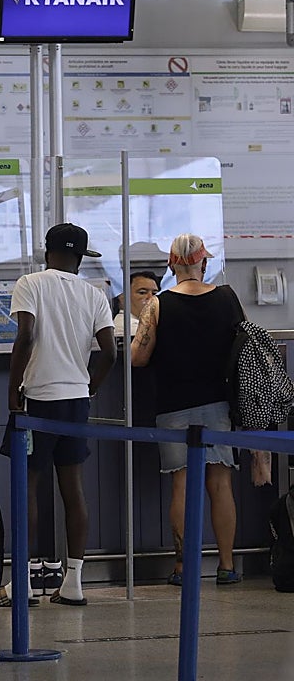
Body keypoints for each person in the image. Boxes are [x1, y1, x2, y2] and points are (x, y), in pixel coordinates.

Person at [5, 222, 115, 606]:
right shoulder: (94, 294)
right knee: (74, 490)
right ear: (80, 258)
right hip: (75, 400)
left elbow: (26, 336)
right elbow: (110, 352)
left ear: (46, 251)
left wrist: (12, 390)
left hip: (37, 398)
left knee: (28, 487)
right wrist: (89, 386)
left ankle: (23, 581)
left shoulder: (30, 284)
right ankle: (74, 582)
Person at [130, 234, 242, 586]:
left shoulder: (157, 306)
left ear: (170, 265)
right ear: (204, 263)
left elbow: (138, 357)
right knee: (220, 483)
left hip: (173, 405)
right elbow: (244, 344)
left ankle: (183, 568)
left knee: (182, 484)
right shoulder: (227, 298)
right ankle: (226, 566)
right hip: (219, 403)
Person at [113, 270, 162, 338]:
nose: (151, 298)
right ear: (123, 298)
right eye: (142, 292)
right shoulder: (125, 326)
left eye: (154, 293)